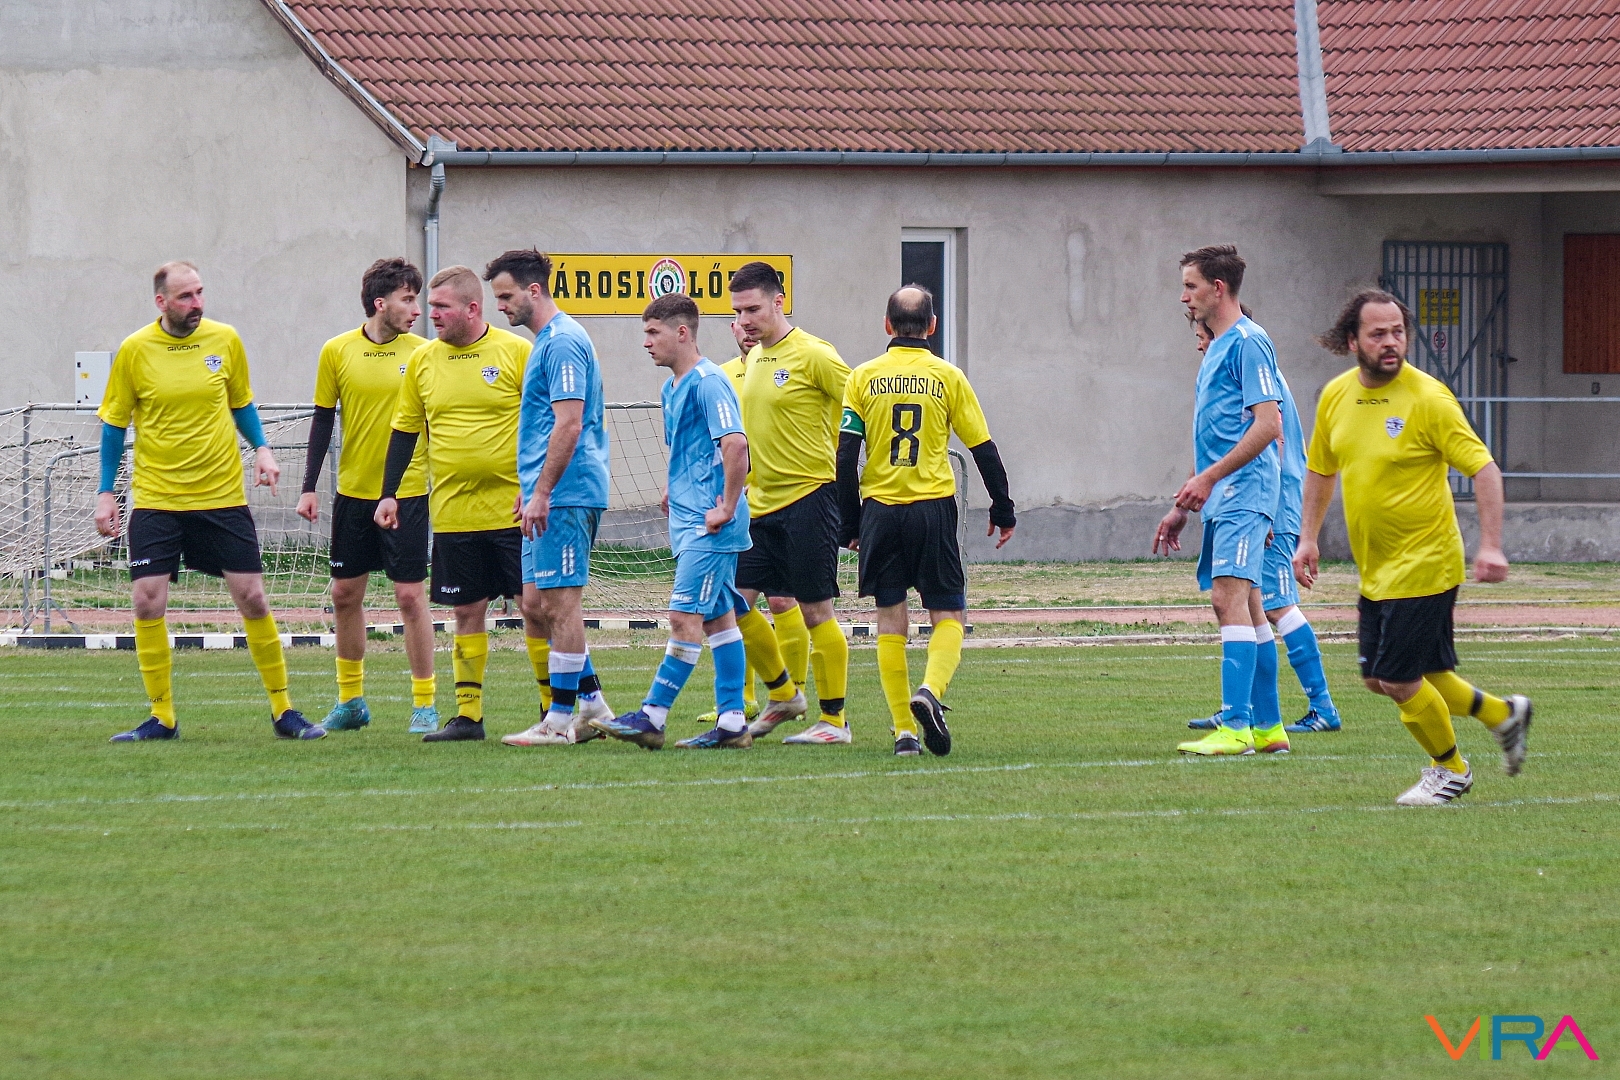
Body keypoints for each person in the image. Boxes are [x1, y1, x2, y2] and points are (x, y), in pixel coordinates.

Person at [1294, 290, 1531, 806]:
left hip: (1427, 562)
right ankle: (1504, 715)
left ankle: (1451, 771)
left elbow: (1484, 469)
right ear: (1352, 341)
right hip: (1377, 569)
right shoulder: (1335, 396)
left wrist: (1491, 545)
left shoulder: (1428, 398)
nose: (1391, 342)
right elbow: (1321, 469)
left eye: (1398, 332)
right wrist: (1308, 537)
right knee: (1387, 679)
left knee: (1399, 680)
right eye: (1378, 333)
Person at [94, 261, 321, 741]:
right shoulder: (135, 350)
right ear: (161, 302)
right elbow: (114, 424)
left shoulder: (225, 340)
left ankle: (284, 711)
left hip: (220, 495)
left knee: (252, 597)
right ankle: (162, 718)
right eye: (186, 297)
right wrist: (106, 492)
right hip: (157, 497)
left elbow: (241, 403)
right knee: (147, 601)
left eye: (199, 293)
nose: (197, 304)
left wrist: (263, 448)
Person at [837, 286, 1016, 756]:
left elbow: (845, 456)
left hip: (880, 510)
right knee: (948, 614)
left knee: (890, 621)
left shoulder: (862, 377)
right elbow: (983, 448)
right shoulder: (949, 377)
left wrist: (849, 523)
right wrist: (1002, 507)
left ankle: (904, 733)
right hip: (932, 509)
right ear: (932, 326)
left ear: (887, 325)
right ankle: (931, 692)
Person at [591, 294, 754, 749]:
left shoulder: (709, 381)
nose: (646, 342)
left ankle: (652, 716)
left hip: (709, 526)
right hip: (688, 519)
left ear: (682, 332)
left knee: (684, 618)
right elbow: (692, 448)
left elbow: (736, 445)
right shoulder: (671, 388)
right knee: (719, 620)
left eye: (653, 332)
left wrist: (727, 506)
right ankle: (733, 724)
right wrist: (671, 486)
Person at [375, 265, 530, 742]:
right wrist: (389, 493)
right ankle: (468, 716)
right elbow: (405, 430)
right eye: (431, 307)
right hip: (454, 513)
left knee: (535, 608)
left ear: (472, 308)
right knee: (466, 612)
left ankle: (555, 708)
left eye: (441, 307)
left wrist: (538, 485)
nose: (432, 315)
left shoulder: (516, 352)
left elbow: (545, 423)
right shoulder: (423, 361)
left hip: (514, 512)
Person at [1152, 246, 1289, 756]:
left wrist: (1213, 482)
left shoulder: (1249, 343)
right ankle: (1269, 729)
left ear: (1218, 288)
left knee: (1226, 600)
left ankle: (1235, 727)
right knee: (1249, 605)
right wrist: (1184, 503)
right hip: (1228, 495)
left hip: (1243, 493)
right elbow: (1217, 435)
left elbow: (1268, 425)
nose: (1183, 296)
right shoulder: (1218, 347)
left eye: (1190, 286)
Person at [1178, 312, 1343, 735]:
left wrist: (1266, 507)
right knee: (1253, 603)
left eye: (1202, 334)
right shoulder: (1241, 369)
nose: (1199, 343)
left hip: (1271, 500)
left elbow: (1275, 434)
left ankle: (1320, 706)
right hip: (1261, 499)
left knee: (1274, 603)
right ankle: (1248, 711)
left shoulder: (1254, 364)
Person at [296, 258, 439, 735]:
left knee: (409, 596)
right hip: (352, 494)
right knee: (344, 594)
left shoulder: (424, 353)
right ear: (381, 303)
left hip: (407, 492)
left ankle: (424, 703)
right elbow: (322, 420)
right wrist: (308, 486)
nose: (416, 309)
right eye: (407, 299)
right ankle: (351, 700)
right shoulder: (336, 351)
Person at [482, 249, 616, 747]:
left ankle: (559, 722)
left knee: (560, 603)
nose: (500, 306)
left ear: (533, 290)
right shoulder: (546, 343)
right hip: (547, 491)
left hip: (567, 491)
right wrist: (530, 490)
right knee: (537, 603)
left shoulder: (562, 342)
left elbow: (569, 423)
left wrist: (543, 491)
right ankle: (593, 704)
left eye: (506, 296)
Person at [730, 261, 850, 744]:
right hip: (759, 506)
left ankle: (835, 721)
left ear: (779, 302)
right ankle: (783, 695)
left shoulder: (814, 354)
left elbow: (862, 406)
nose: (744, 320)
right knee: (731, 603)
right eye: (738, 312)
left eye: (752, 309)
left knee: (816, 610)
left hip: (809, 500)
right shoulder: (755, 358)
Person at [689, 319, 767, 727]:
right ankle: (747, 700)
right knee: (737, 603)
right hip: (737, 502)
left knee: (789, 602)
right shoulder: (719, 376)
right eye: (739, 318)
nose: (747, 328)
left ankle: (794, 695)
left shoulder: (785, 366)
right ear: (732, 327)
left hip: (782, 500)